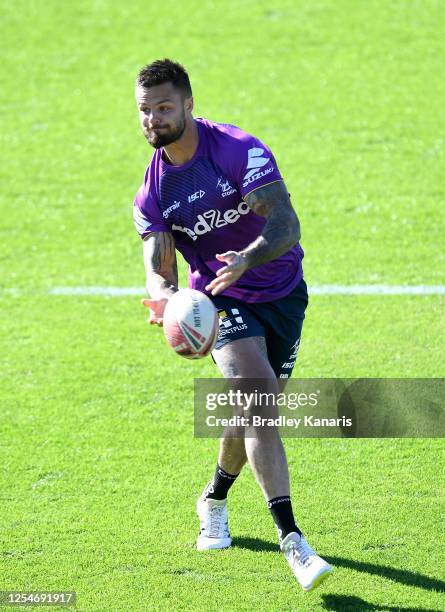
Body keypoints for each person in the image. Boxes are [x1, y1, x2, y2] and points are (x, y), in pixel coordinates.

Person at [133, 58, 332, 591]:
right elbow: (159, 265)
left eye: (164, 108)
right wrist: (167, 301)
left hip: (282, 290)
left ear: (189, 105)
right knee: (261, 402)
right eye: (145, 111)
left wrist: (248, 256)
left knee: (251, 412)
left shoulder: (238, 150)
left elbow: (286, 223)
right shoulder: (152, 194)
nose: (153, 119)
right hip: (219, 299)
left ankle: (214, 497)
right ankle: (293, 540)